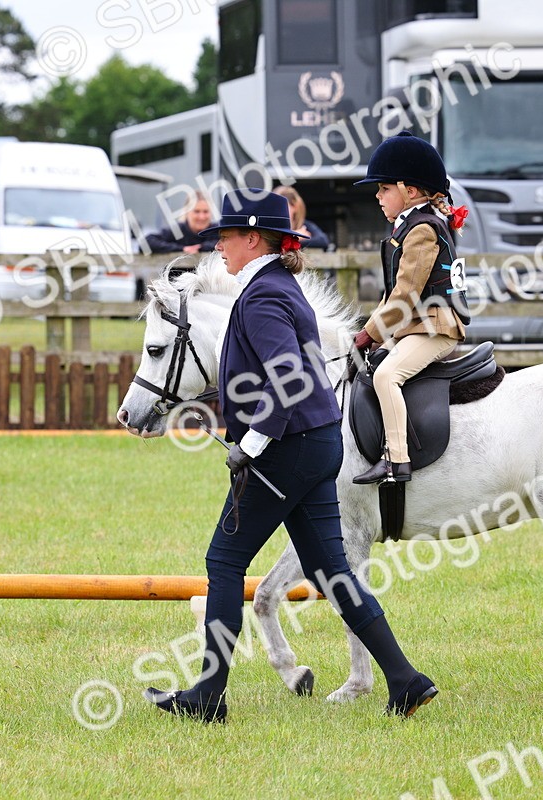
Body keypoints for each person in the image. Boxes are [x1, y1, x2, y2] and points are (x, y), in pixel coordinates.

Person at [143, 188, 437, 723]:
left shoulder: (263, 297)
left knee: (224, 562)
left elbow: (289, 378)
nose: (219, 248)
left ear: (254, 239)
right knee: (333, 569)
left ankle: (208, 696)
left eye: (227, 238)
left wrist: (252, 444)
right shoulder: (278, 286)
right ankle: (406, 680)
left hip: (287, 449)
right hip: (315, 442)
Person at [350, 132, 470, 485]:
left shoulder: (421, 231)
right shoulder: (408, 228)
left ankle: (396, 460)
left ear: (411, 192)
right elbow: (393, 295)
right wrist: (371, 332)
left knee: (387, 375)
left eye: (384, 188)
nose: (378, 196)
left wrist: (370, 333)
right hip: (416, 324)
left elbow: (404, 297)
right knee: (371, 364)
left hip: (436, 326)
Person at [143, 190, 216, 254]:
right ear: (187, 212)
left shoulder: (217, 231)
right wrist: (182, 249)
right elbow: (146, 243)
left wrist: (201, 247)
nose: (202, 217)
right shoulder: (178, 231)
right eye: (197, 211)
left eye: (206, 212)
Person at [272, 185, 333, 250]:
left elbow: (323, 241)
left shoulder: (305, 225)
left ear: (294, 207)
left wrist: (293, 241)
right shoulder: (271, 226)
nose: (277, 211)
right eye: (273, 207)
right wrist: (294, 237)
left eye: (281, 207)